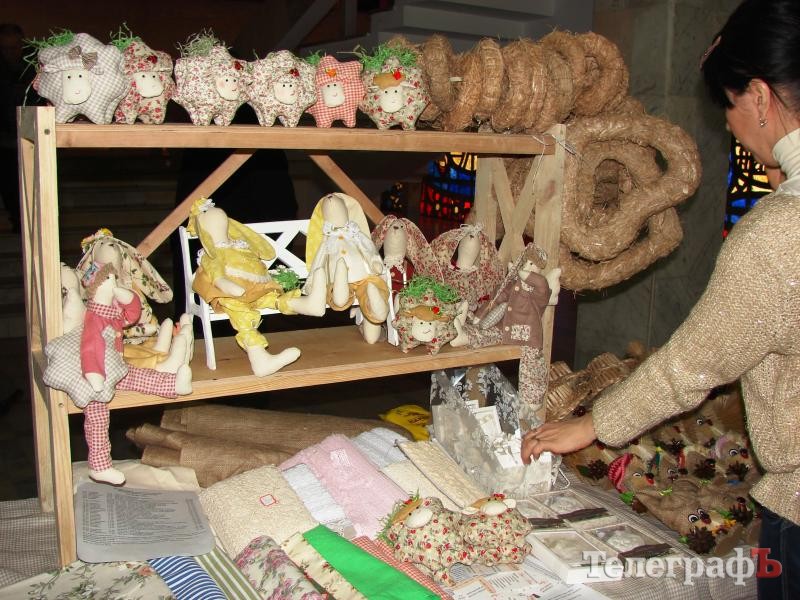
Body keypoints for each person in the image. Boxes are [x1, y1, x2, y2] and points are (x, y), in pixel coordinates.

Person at [520, 1, 800, 597]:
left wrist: (592, 425)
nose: (730, 127)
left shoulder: (779, 232)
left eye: (728, 106)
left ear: (758, 97)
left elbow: (692, 365)